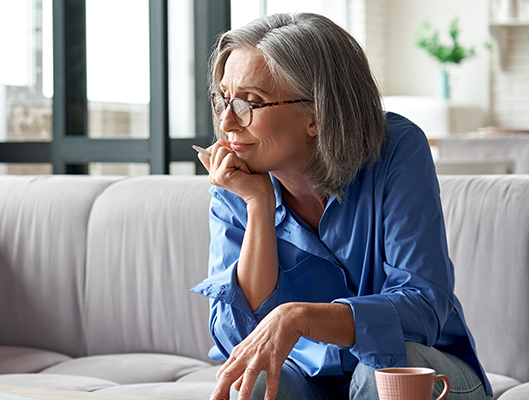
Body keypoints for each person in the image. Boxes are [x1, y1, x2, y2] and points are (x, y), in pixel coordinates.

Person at [190, 12, 492, 400]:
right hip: (309, 378)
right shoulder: (237, 180)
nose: (228, 122)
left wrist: (300, 317)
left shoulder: (397, 150)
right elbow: (239, 338)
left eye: (250, 102)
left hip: (422, 365)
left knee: (380, 372)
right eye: (223, 99)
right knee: (257, 383)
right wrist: (258, 205)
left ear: (316, 114)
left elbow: (422, 309)